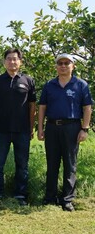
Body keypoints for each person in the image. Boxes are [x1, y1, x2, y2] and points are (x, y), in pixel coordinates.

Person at [37, 53, 93, 212]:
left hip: (72, 127)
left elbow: (87, 108)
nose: (63, 65)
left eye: (66, 63)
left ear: (73, 66)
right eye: (60, 63)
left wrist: (84, 128)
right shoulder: (49, 85)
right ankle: (50, 198)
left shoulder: (81, 85)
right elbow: (42, 108)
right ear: (56, 66)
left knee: (70, 164)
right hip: (52, 127)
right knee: (52, 163)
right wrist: (41, 128)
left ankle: (67, 200)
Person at [0, 48, 36, 206]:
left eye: (15, 59)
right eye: (8, 59)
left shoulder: (28, 80)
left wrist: (31, 127)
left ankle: (20, 195)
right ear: (4, 62)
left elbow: (32, 106)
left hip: (22, 130)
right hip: (2, 129)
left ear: (20, 61)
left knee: (22, 164)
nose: (12, 61)